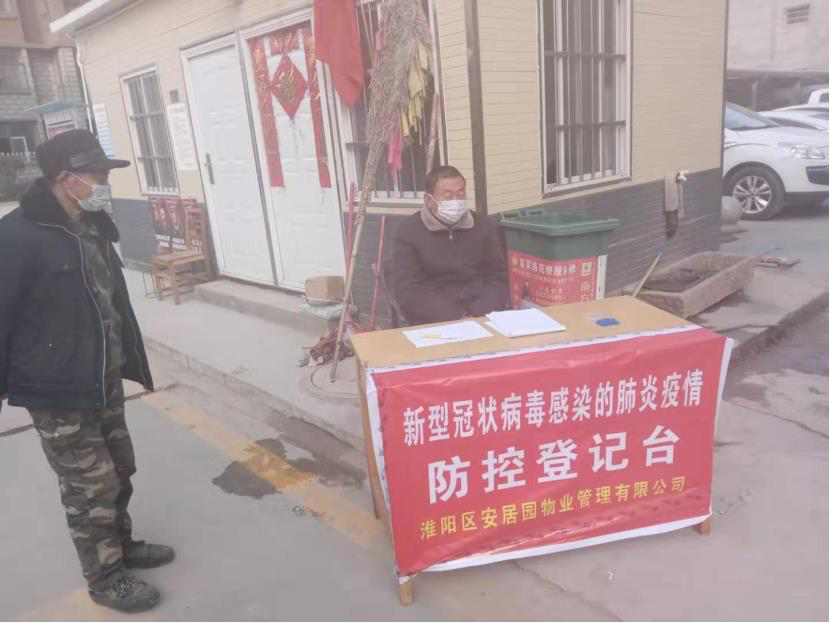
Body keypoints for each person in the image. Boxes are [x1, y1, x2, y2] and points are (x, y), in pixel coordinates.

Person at [0, 130, 172, 613]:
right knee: (88, 485)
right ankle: (105, 577)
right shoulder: (16, 236)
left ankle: (122, 546)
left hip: (102, 376)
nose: (103, 183)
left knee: (119, 468)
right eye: (96, 175)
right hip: (56, 387)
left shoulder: (92, 224)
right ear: (64, 177)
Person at [392, 165, 509, 325]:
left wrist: (479, 313)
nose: (456, 201)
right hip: (434, 320)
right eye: (448, 196)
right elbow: (408, 290)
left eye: (460, 194)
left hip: (482, 315)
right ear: (429, 200)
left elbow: (497, 276)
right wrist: (456, 316)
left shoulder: (481, 224)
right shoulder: (409, 231)